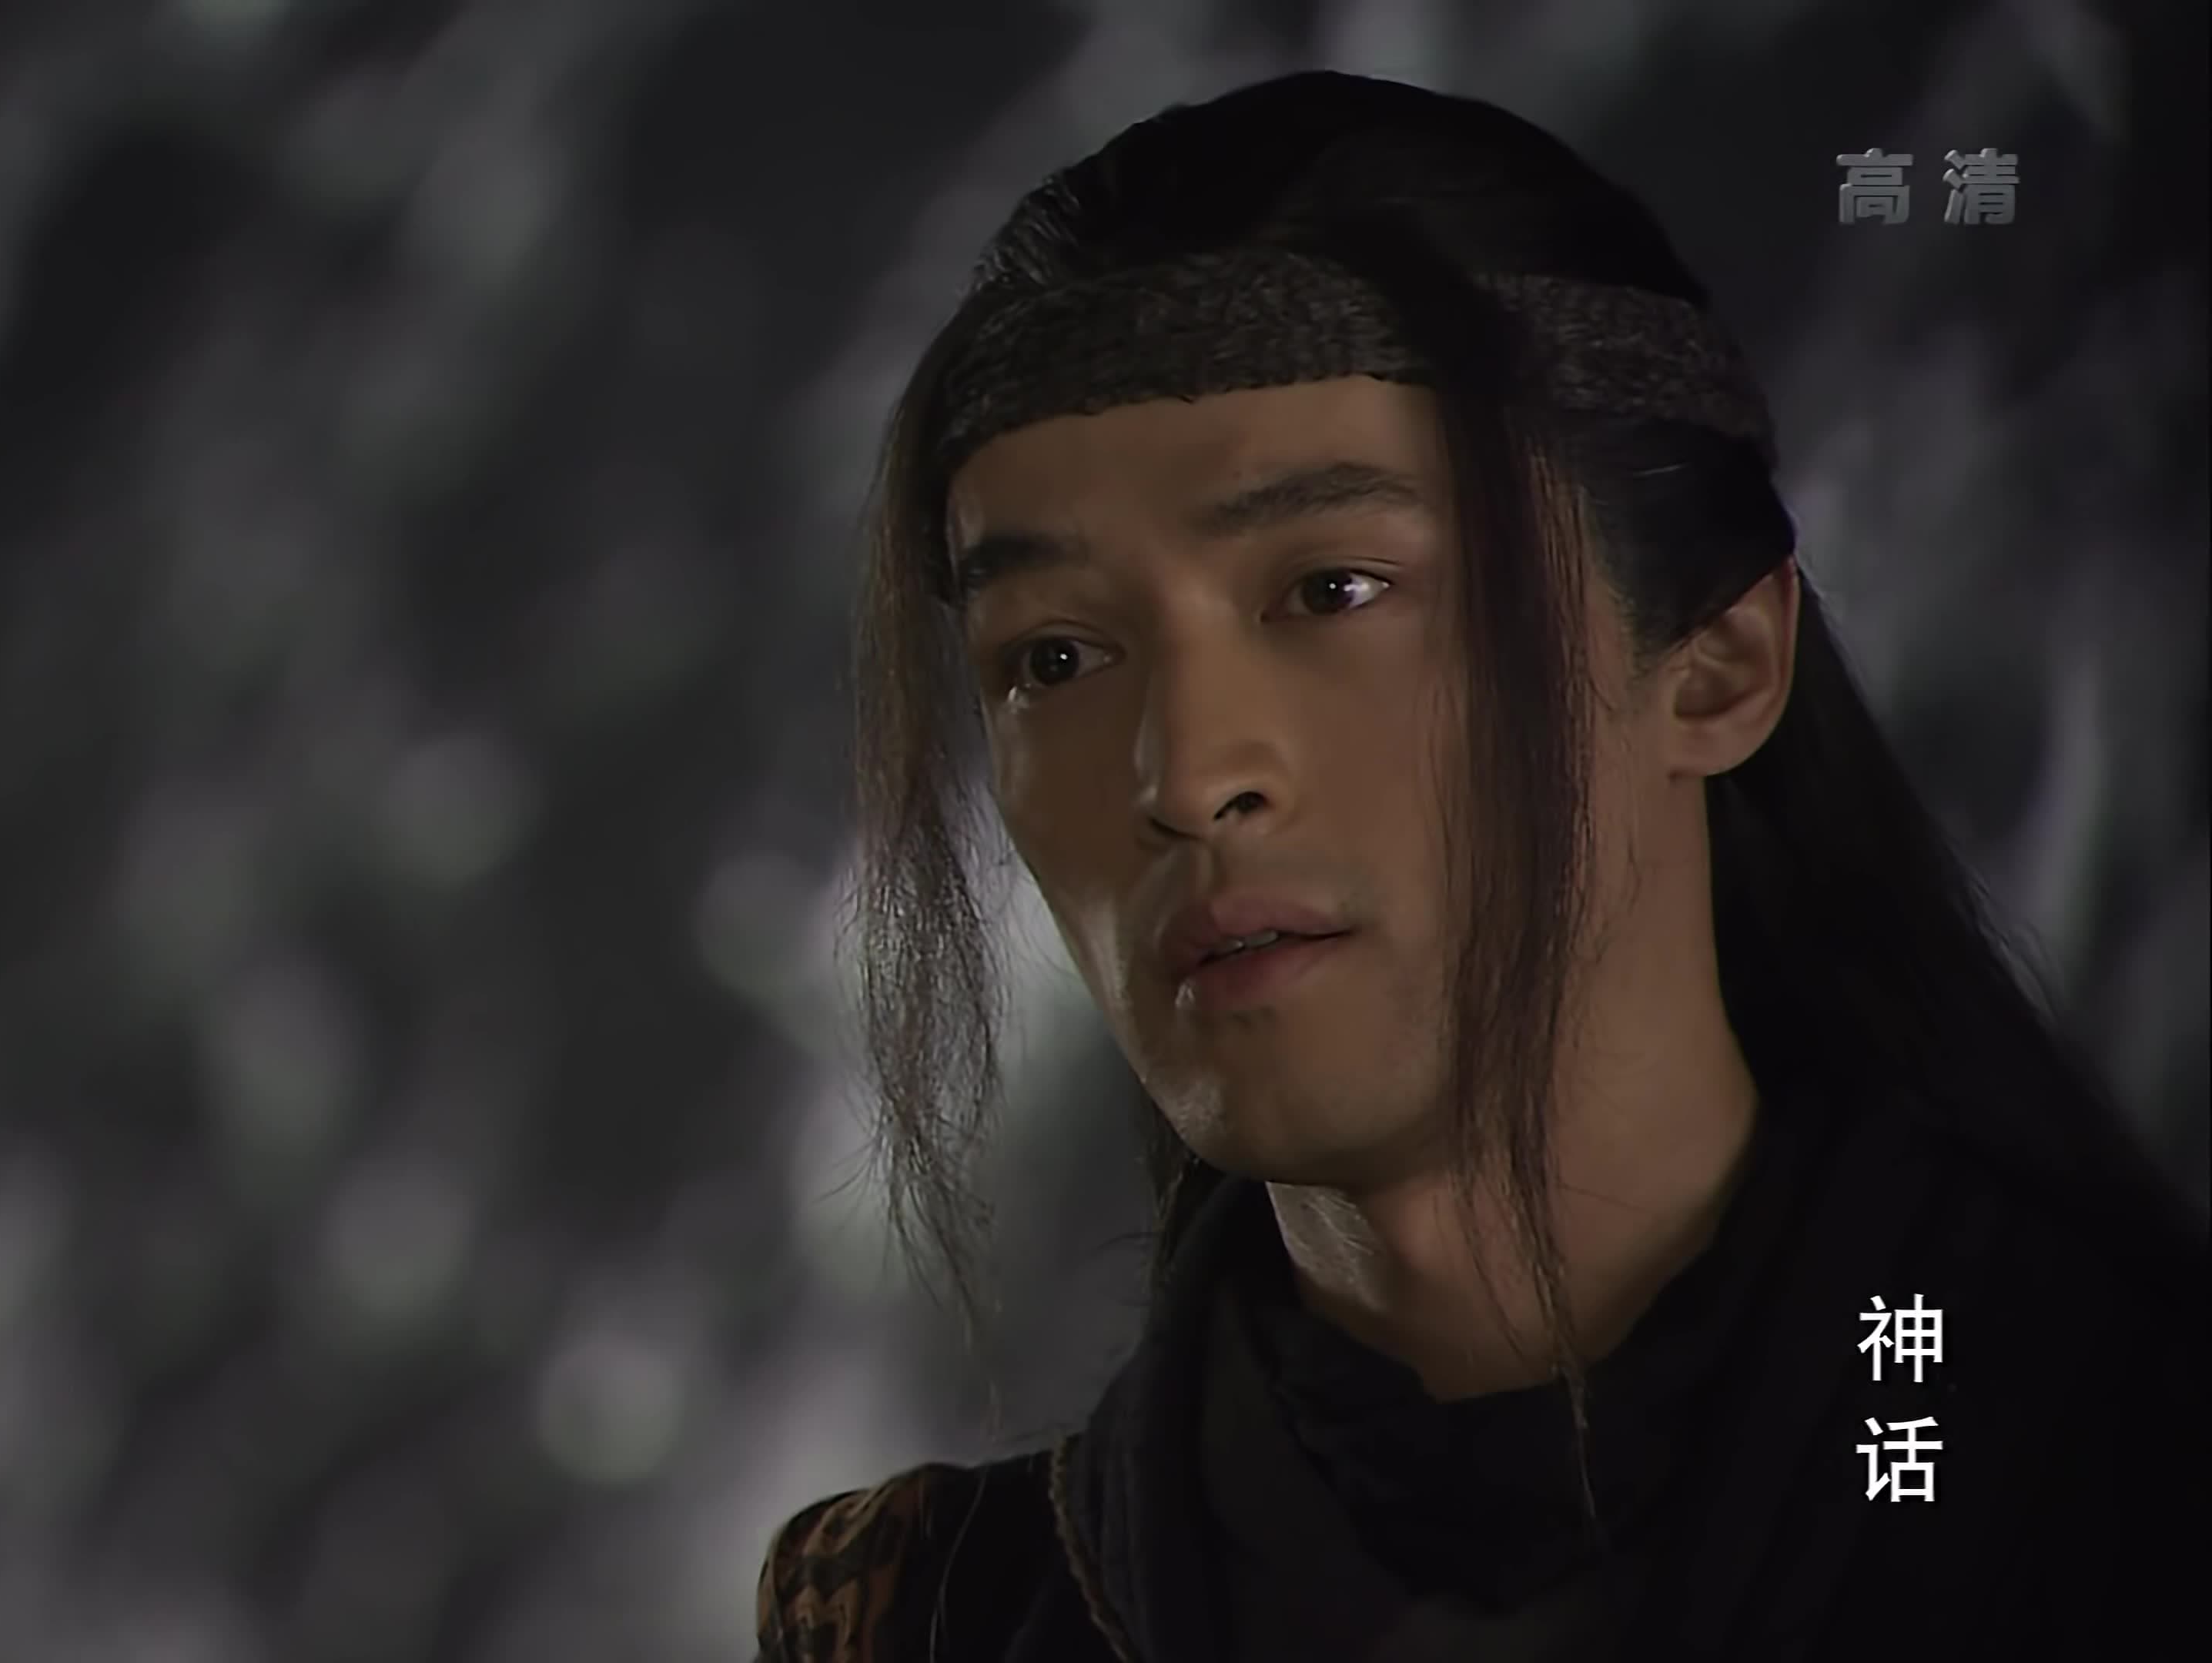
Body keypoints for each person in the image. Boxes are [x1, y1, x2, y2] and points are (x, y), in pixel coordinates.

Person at [753, 71, 2205, 1663]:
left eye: (1334, 588)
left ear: (1717, 667)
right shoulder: (927, 1614)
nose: (1186, 775)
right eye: (1054, 658)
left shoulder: (2111, 1470)